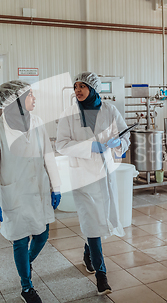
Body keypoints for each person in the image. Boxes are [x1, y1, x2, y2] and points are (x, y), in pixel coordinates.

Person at [0, 80, 61, 303]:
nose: (34, 99)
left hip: (37, 191)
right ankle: (26, 287)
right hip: (14, 194)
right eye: (29, 95)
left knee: (42, 234)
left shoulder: (36, 122)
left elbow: (49, 156)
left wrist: (56, 186)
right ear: (15, 101)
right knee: (19, 240)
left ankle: (25, 263)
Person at [56, 72, 130, 295]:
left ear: (94, 88)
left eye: (83, 86)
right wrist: (89, 147)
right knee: (92, 221)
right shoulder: (68, 114)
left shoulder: (109, 110)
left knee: (100, 221)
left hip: (104, 174)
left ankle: (88, 253)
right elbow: (61, 144)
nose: (78, 90)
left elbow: (124, 136)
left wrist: (119, 143)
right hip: (83, 177)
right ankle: (101, 276)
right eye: (76, 86)